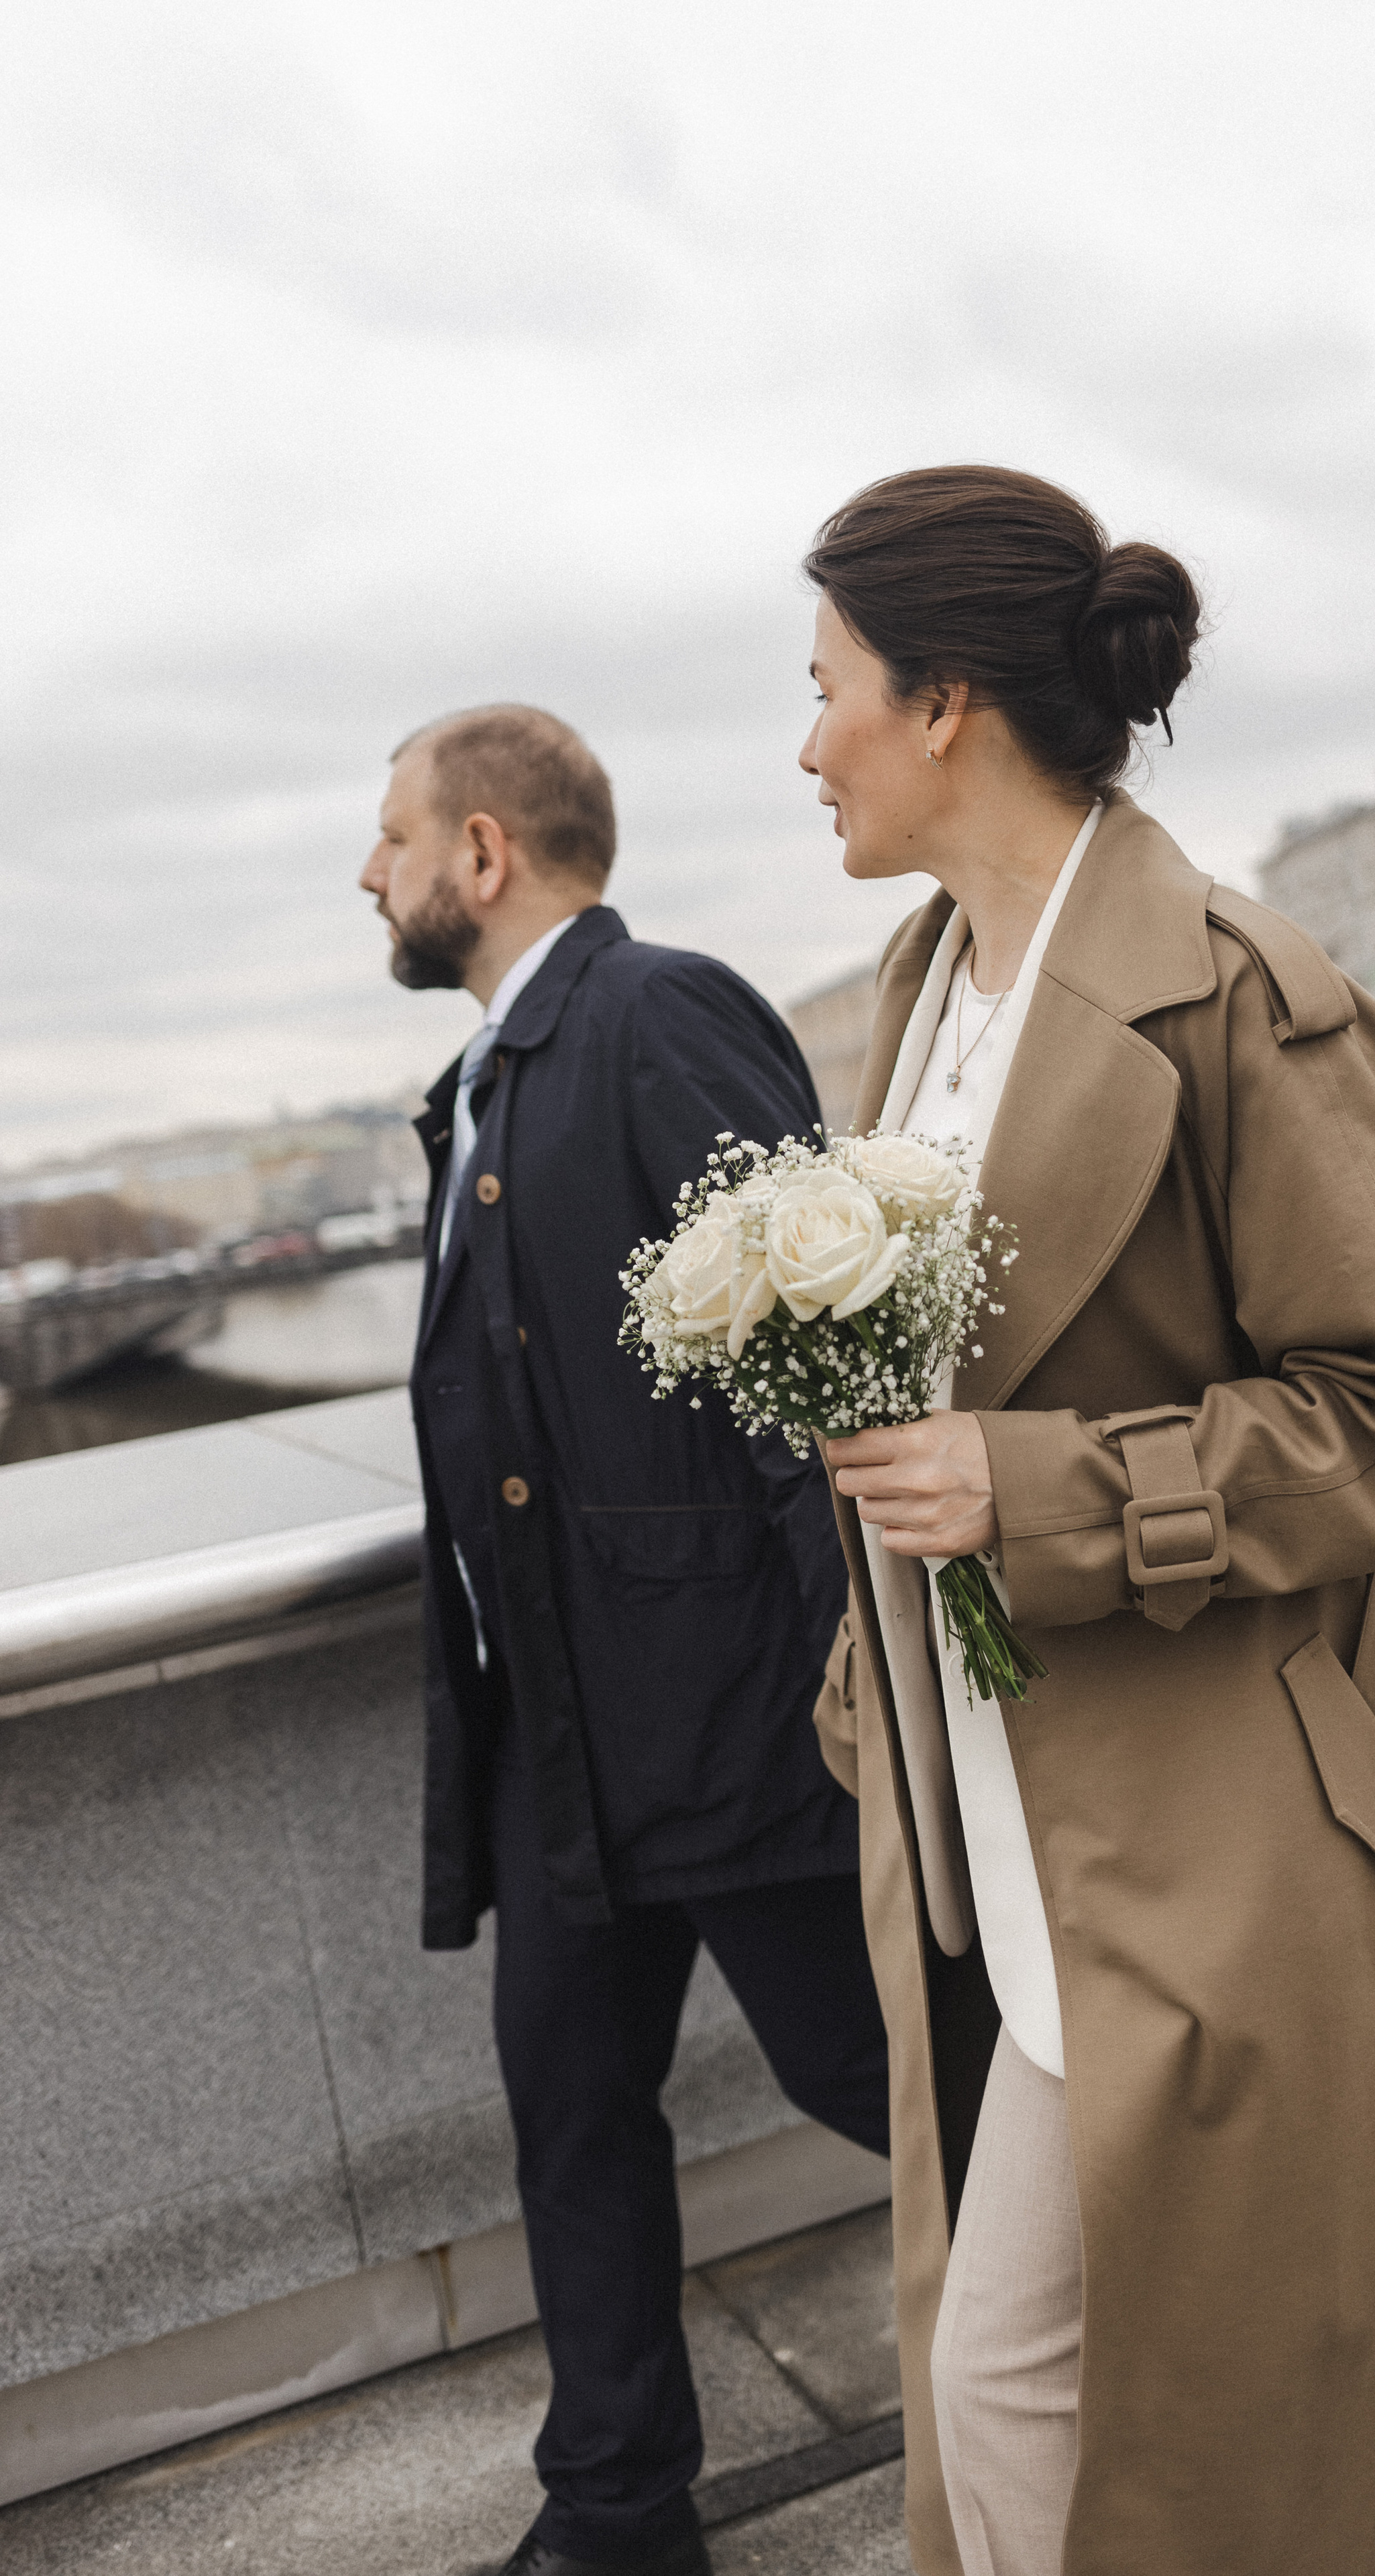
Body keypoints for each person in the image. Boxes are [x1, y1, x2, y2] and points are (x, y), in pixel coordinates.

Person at [796, 468, 1375, 2576]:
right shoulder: (920, 1008)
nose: (802, 741)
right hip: (1031, 1832)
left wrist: (1043, 1495)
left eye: (822, 689)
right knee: (1052, 2402)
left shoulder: (1249, 996)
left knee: (1165, 2412)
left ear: (946, 705)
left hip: (1235, 1836)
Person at [360, 706, 889, 2576]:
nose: (374, 873)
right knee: (574, 2111)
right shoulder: (495, 1078)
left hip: (727, 1718)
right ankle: (616, 2517)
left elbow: (815, 1369)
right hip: (562, 1731)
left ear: (484, 853)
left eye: (394, 837)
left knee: (890, 2080)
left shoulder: (657, 1014)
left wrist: (852, 1703)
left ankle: (1205, 2342)